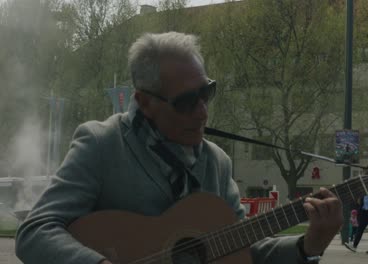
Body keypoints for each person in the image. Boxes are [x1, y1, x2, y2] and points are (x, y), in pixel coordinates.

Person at [15, 32, 343, 264]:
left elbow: (242, 248)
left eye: (206, 93)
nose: (202, 111)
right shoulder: (102, 144)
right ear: (144, 102)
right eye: (186, 101)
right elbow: (35, 231)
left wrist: (308, 245)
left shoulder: (216, 162)